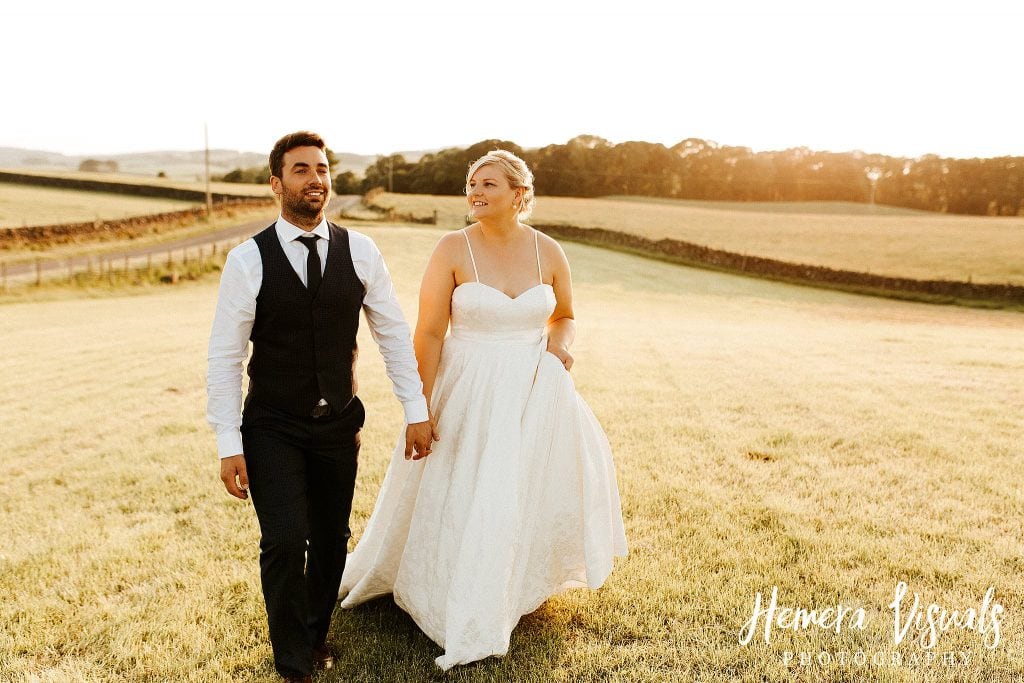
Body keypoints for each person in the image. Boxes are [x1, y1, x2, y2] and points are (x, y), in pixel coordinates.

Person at [339, 149, 627, 670]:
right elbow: (428, 331)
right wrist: (418, 408)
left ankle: (507, 588)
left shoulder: (550, 252)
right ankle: (450, 593)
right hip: (467, 388)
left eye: (489, 184)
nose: (475, 191)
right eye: (472, 183)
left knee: (514, 491)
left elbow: (565, 316)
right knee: (464, 486)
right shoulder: (452, 248)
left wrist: (562, 347)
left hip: (532, 392)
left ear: (520, 194)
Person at [206, 131, 434, 683]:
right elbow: (224, 357)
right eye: (302, 169)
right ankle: (291, 659)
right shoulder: (247, 260)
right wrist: (228, 444)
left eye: (323, 169)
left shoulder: (362, 251)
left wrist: (415, 407)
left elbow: (393, 335)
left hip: (339, 424)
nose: (316, 179)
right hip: (272, 426)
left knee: (332, 539)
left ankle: (313, 633)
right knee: (285, 539)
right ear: (276, 184)